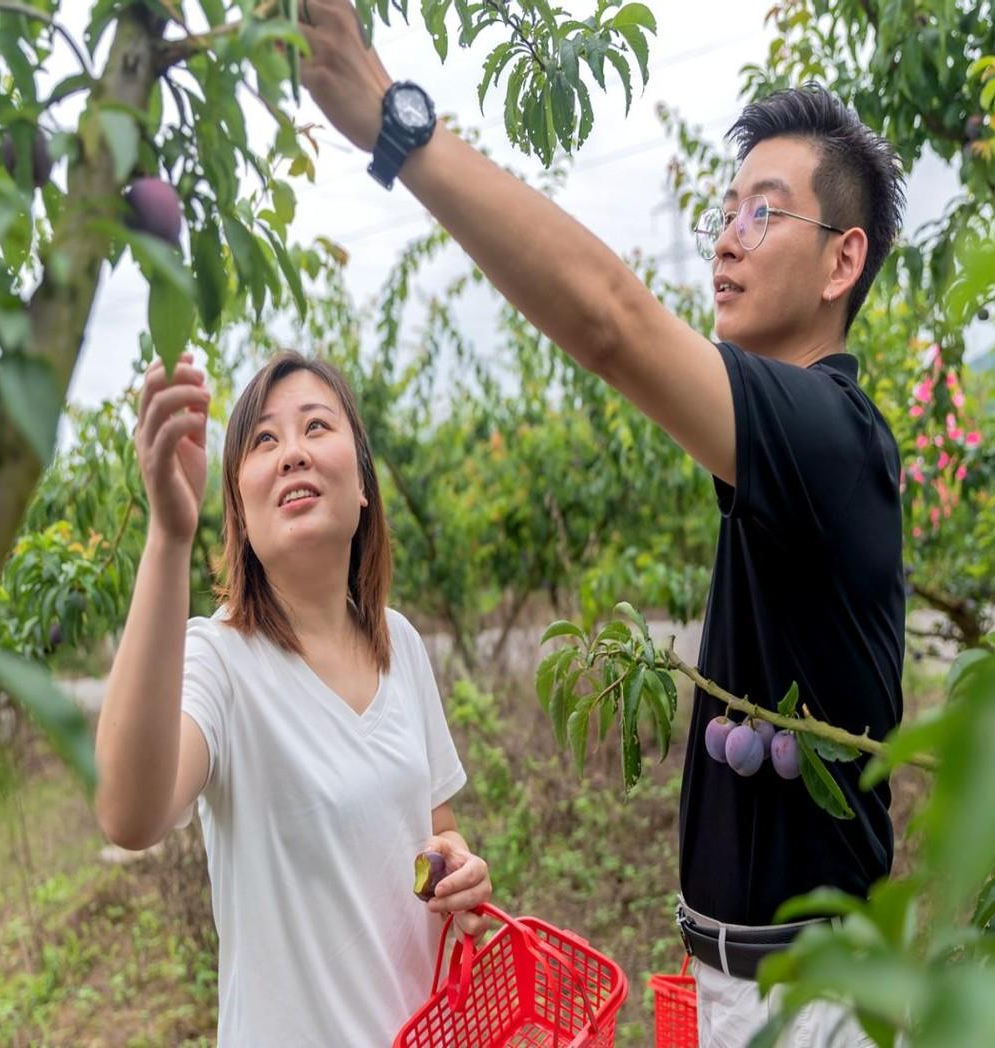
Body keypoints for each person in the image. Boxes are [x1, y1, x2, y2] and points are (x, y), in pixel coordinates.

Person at [296, 4, 907, 1045]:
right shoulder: (783, 459)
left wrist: (397, 129)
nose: (725, 238)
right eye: (725, 211)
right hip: (755, 984)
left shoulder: (830, 436)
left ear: (842, 262)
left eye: (764, 213)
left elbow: (612, 322)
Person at [94, 350, 492, 1046]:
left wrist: (460, 870)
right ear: (240, 510)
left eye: (316, 426)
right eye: (264, 440)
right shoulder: (219, 661)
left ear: (363, 485)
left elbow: (437, 834)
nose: (292, 454)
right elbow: (128, 814)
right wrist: (167, 534)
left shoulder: (399, 644)